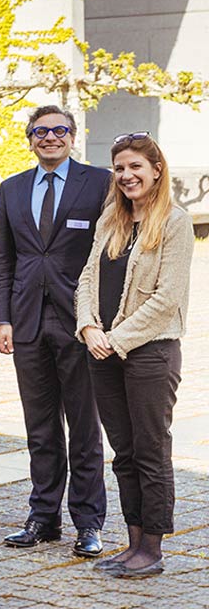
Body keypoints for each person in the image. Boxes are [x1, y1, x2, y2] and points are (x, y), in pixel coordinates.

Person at [0, 106, 110, 558]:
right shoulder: (12, 189)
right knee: (40, 428)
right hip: (27, 324)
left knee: (83, 428)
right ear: (29, 139)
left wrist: (99, 318)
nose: (50, 138)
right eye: (40, 132)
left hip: (78, 322)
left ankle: (88, 522)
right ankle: (43, 517)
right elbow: (4, 259)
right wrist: (2, 318)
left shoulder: (97, 183)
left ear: (72, 136)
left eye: (59, 130)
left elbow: (107, 254)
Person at [75, 133, 190, 578]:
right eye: (120, 168)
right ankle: (133, 542)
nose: (126, 176)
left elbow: (167, 298)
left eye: (135, 167)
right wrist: (88, 327)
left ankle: (153, 549)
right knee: (123, 452)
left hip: (149, 354)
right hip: (101, 350)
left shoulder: (175, 222)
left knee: (150, 449)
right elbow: (86, 277)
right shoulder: (111, 220)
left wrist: (115, 338)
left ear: (156, 170)